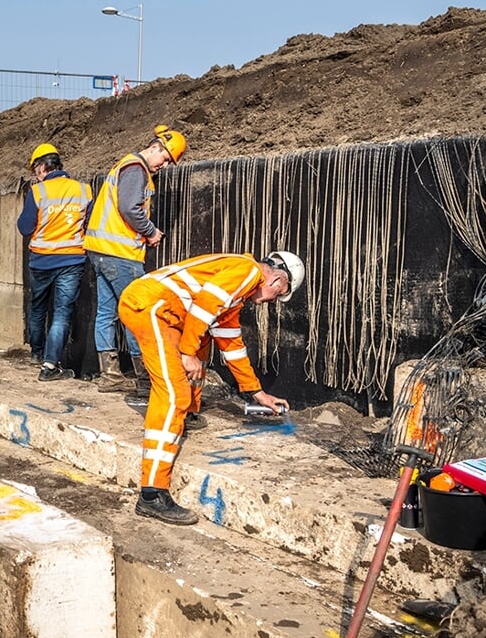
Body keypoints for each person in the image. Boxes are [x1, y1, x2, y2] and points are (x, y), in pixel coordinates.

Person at [119, 250, 305, 525]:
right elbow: (205, 305)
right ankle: (152, 494)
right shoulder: (248, 271)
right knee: (173, 395)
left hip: (162, 310)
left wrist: (257, 393)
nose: (271, 301)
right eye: (278, 294)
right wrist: (187, 352)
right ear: (277, 279)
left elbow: (231, 345)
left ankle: (188, 414)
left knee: (203, 342)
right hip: (151, 306)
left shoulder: (236, 291)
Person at [85, 124, 188, 396]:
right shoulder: (136, 169)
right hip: (120, 255)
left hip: (101, 251)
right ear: (155, 147)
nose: (164, 166)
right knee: (137, 314)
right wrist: (151, 231)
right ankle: (145, 379)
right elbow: (129, 208)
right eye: (165, 159)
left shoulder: (126, 165)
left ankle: (110, 375)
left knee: (107, 312)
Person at [16, 143, 92, 381]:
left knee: (38, 307)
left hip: (41, 260)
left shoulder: (38, 192)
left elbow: (24, 227)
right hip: (71, 260)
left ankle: (38, 354)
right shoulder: (84, 190)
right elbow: (90, 225)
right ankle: (50, 364)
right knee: (61, 313)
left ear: (41, 167)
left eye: (35, 168)